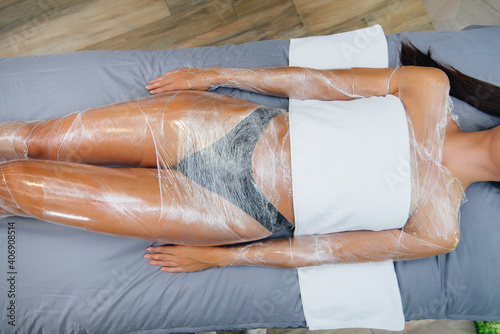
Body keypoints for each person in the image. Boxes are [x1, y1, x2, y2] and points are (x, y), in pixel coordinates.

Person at [0, 43, 498, 272]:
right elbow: (315, 83)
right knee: (38, 140)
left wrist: (219, 260)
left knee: (17, 186)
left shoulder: (438, 229)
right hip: (228, 128)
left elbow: (318, 252)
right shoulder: (429, 89)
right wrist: (212, 73)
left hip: (231, 210)